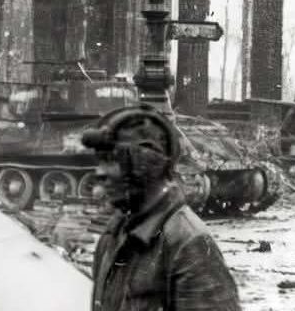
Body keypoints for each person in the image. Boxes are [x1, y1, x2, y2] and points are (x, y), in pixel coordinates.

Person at [81, 106, 241, 311]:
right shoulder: (114, 234)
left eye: (111, 160)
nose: (99, 173)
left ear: (144, 164)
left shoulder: (187, 243)